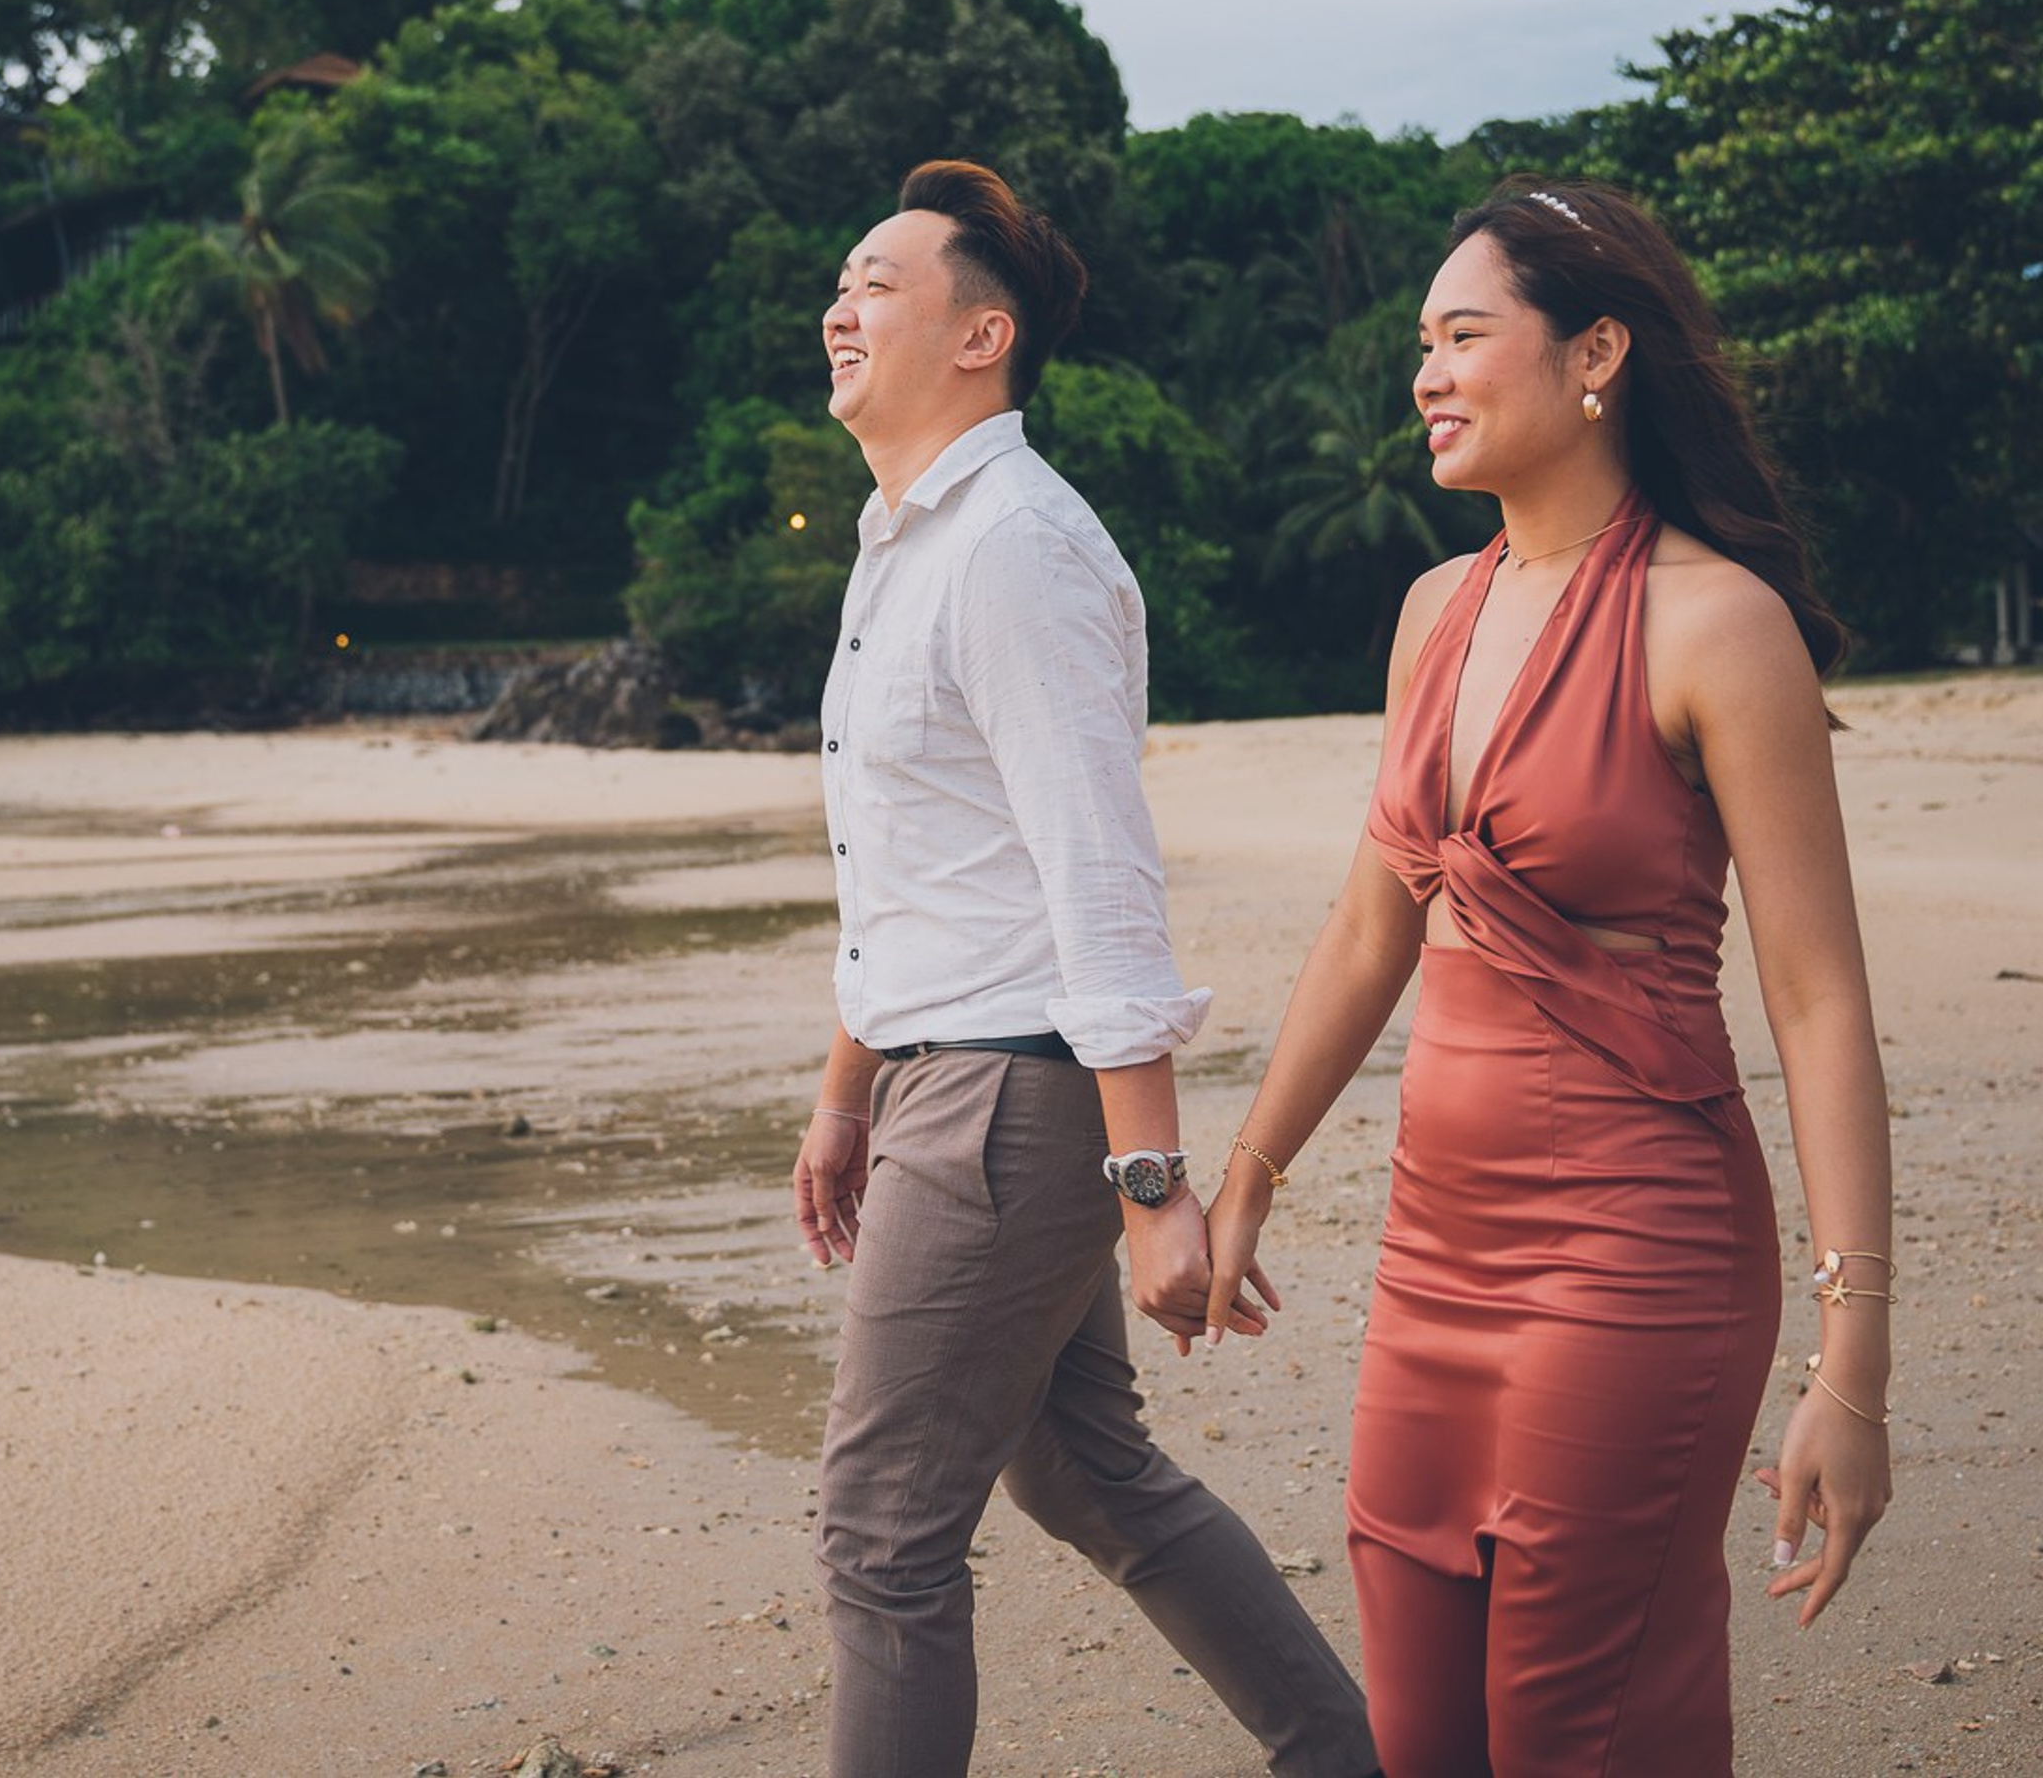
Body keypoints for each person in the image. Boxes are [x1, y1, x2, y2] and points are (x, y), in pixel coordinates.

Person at [1202, 177, 1895, 1776]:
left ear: (1596, 356)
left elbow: (1819, 1000)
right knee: (1425, 1732)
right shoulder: (1431, 610)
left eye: (1463, 336)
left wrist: (1850, 1362)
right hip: (1435, 1258)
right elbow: (1373, 928)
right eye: (1417, 346)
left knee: (1580, 1731)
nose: (1426, 375)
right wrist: (1248, 1175)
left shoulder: (1718, 626)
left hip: (1635, 1254)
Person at [791, 159, 1380, 1778]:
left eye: (879, 282)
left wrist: (1150, 1177)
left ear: (982, 336)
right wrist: (845, 1091)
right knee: (1081, 1468)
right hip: (940, 1071)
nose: (839, 307)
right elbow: (916, 877)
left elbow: (1095, 878)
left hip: (1008, 1100)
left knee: (880, 1532)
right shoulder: (907, 542)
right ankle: (1347, 1753)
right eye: (841, 281)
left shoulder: (1017, 551)